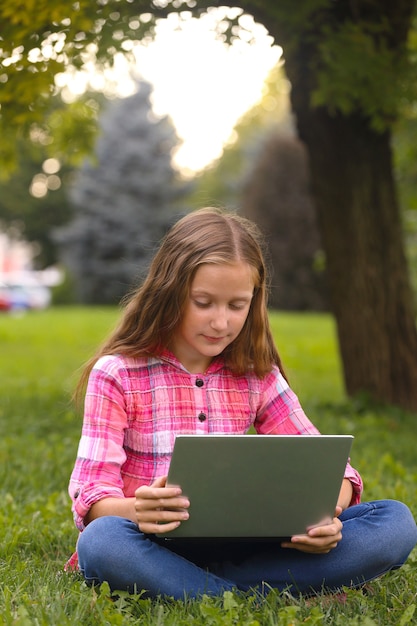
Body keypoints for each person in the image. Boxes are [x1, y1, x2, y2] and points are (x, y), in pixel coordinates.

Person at [68, 207, 417, 600]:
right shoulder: (117, 373)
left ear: (255, 301)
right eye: (204, 302)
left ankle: (206, 590)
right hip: (155, 543)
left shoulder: (258, 374)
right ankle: (267, 588)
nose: (221, 322)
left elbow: (334, 471)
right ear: (169, 291)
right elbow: (92, 497)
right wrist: (137, 510)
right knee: (102, 543)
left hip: (252, 540)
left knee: (394, 522)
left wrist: (324, 517)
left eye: (236, 305)